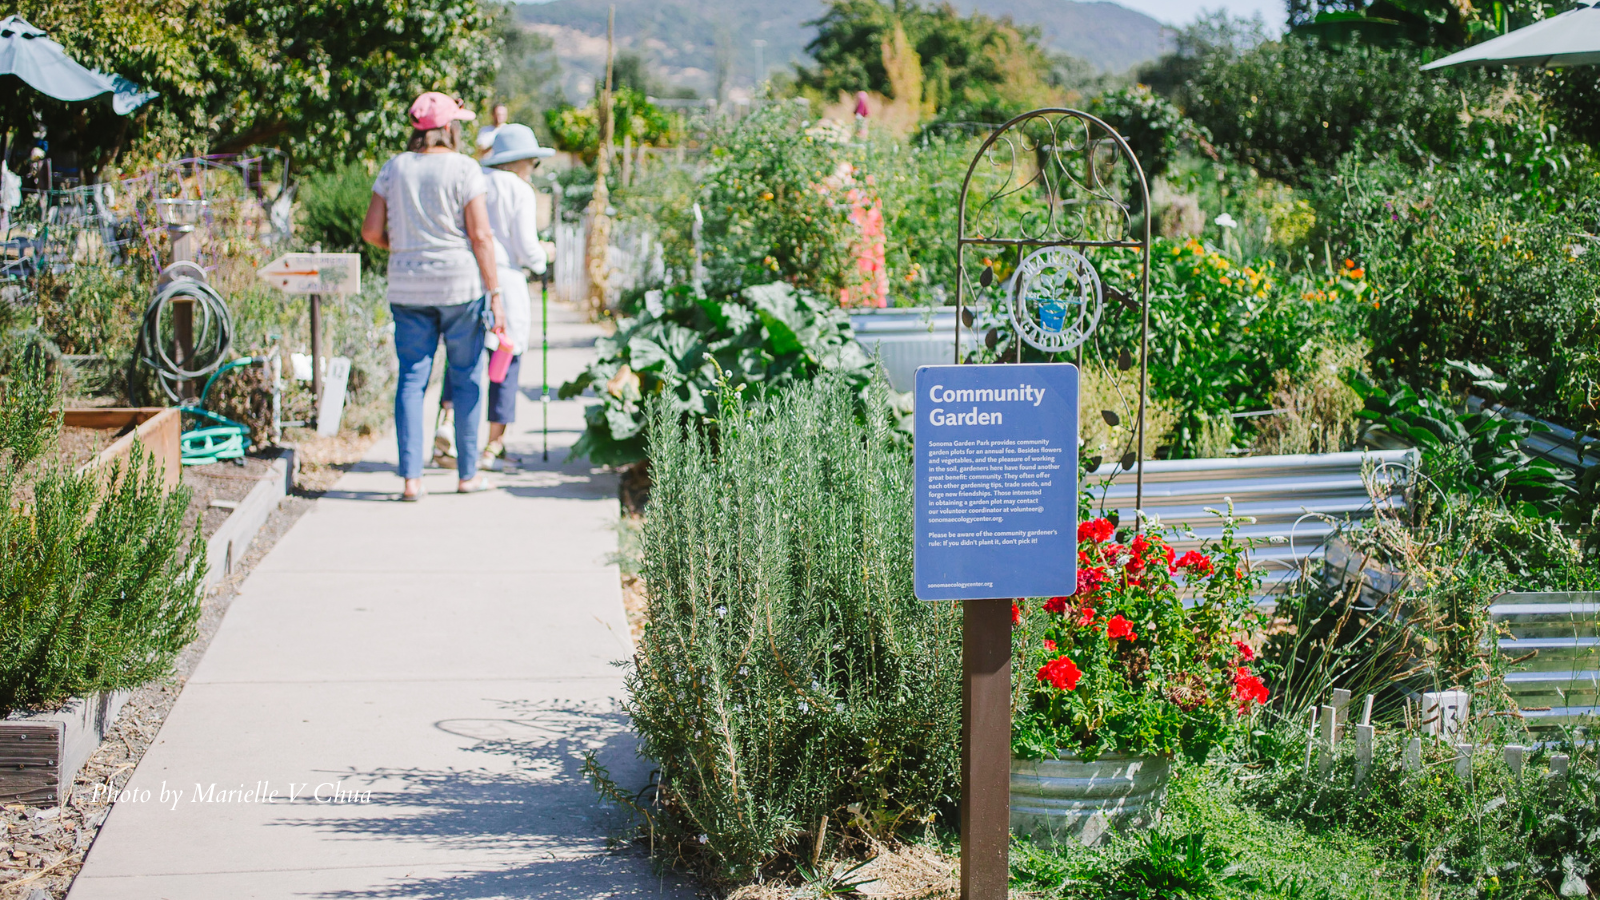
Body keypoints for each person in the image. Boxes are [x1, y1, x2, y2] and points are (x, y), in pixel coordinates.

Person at [361, 91, 505, 500]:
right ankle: (467, 475)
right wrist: (495, 295)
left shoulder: (394, 168)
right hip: (459, 288)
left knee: (411, 380)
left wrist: (407, 249)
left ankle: (411, 480)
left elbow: (371, 232)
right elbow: (480, 235)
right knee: (466, 380)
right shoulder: (464, 169)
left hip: (407, 287)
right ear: (448, 128)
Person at [434, 123, 553, 471]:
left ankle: (447, 427)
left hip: (468, 277)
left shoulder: (474, 181)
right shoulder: (520, 190)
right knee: (504, 361)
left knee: (462, 356)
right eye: (533, 162)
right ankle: (492, 446)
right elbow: (527, 248)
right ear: (522, 161)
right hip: (508, 280)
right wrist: (545, 256)